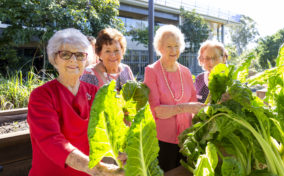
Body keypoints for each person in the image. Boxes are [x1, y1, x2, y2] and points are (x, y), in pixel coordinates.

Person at [27, 28, 124, 176]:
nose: (73, 60)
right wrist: (97, 169)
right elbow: (51, 141)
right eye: (65, 54)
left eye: (80, 55)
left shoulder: (94, 92)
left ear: (86, 60)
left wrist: (123, 152)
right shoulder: (41, 96)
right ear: (55, 58)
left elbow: (107, 130)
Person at [143, 25, 205, 172]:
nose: (173, 51)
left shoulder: (186, 71)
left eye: (176, 46)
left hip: (186, 138)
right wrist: (185, 107)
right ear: (160, 47)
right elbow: (157, 111)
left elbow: (194, 104)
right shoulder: (151, 71)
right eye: (169, 46)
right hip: (163, 141)